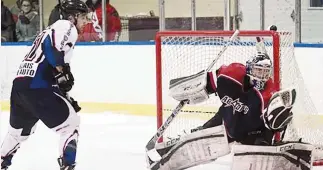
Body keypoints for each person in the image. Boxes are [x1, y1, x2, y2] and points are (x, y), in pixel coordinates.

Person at [147, 52, 309, 170]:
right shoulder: (230, 75)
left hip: (251, 133)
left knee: (255, 154)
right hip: (224, 121)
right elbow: (207, 84)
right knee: (195, 139)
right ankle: (165, 158)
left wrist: (277, 126)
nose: (263, 76)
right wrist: (192, 90)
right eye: (259, 70)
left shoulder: (269, 94)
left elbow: (271, 125)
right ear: (249, 69)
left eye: (266, 72)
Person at [0, 0, 88, 170]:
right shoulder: (66, 25)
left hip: (21, 85)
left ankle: (2, 161)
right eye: (83, 17)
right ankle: (68, 166)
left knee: (17, 133)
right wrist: (62, 71)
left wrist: (62, 84)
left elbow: (48, 58)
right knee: (70, 125)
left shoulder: (50, 29)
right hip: (37, 87)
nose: (86, 21)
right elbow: (52, 49)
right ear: (72, 17)